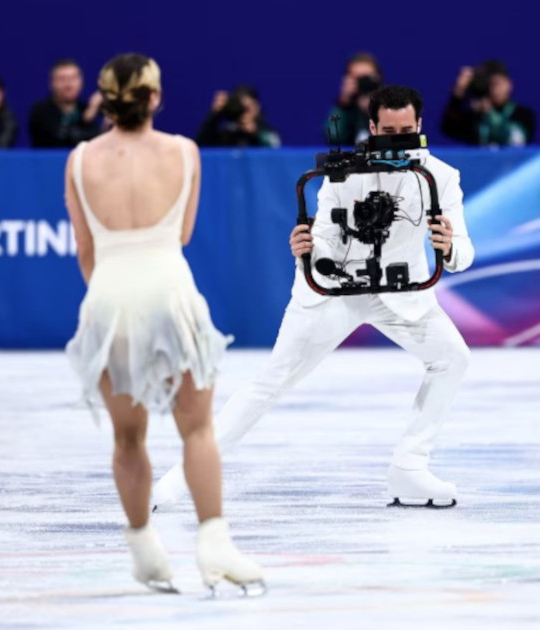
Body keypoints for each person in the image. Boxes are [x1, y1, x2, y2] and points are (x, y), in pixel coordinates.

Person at [154, 85, 474, 512]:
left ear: (419, 126)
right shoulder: (342, 173)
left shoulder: (442, 177)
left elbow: (464, 255)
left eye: (407, 130)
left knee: (453, 358)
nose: (398, 139)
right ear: (373, 127)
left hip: (400, 293)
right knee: (271, 380)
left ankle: (409, 466)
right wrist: (307, 248)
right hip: (334, 291)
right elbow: (322, 234)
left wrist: (449, 245)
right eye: (388, 130)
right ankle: (183, 477)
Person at [63, 52, 264, 594]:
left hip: (108, 294)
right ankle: (214, 544)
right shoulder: (184, 151)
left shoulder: (80, 160)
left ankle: (144, 547)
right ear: (155, 97)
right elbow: (181, 235)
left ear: (103, 98)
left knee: (129, 437)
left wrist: (109, 300)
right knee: (196, 426)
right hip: (167, 285)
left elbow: (85, 249)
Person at [442, 60, 536, 147]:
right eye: (490, 84)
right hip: (481, 164)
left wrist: (490, 113)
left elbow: (517, 141)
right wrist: (458, 92)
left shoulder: (523, 114)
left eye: (497, 83)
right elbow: (449, 129)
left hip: (514, 164)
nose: (494, 90)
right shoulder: (475, 117)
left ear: (509, 84)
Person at [29, 59, 102, 148]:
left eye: (73, 78)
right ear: (52, 83)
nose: (68, 85)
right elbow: (61, 141)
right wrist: (86, 120)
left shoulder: (86, 109)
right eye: (62, 79)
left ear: (81, 81)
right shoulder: (40, 111)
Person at [324, 52, 383, 145]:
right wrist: (343, 103)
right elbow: (332, 136)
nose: (363, 83)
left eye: (366, 78)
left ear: (378, 78)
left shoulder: (390, 104)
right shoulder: (345, 106)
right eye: (358, 79)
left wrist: (375, 108)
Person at [196, 85, 281, 148]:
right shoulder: (227, 133)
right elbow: (200, 145)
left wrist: (256, 132)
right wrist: (214, 115)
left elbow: (274, 147)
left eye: (247, 108)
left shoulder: (264, 130)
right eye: (241, 107)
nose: (244, 113)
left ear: (257, 107)